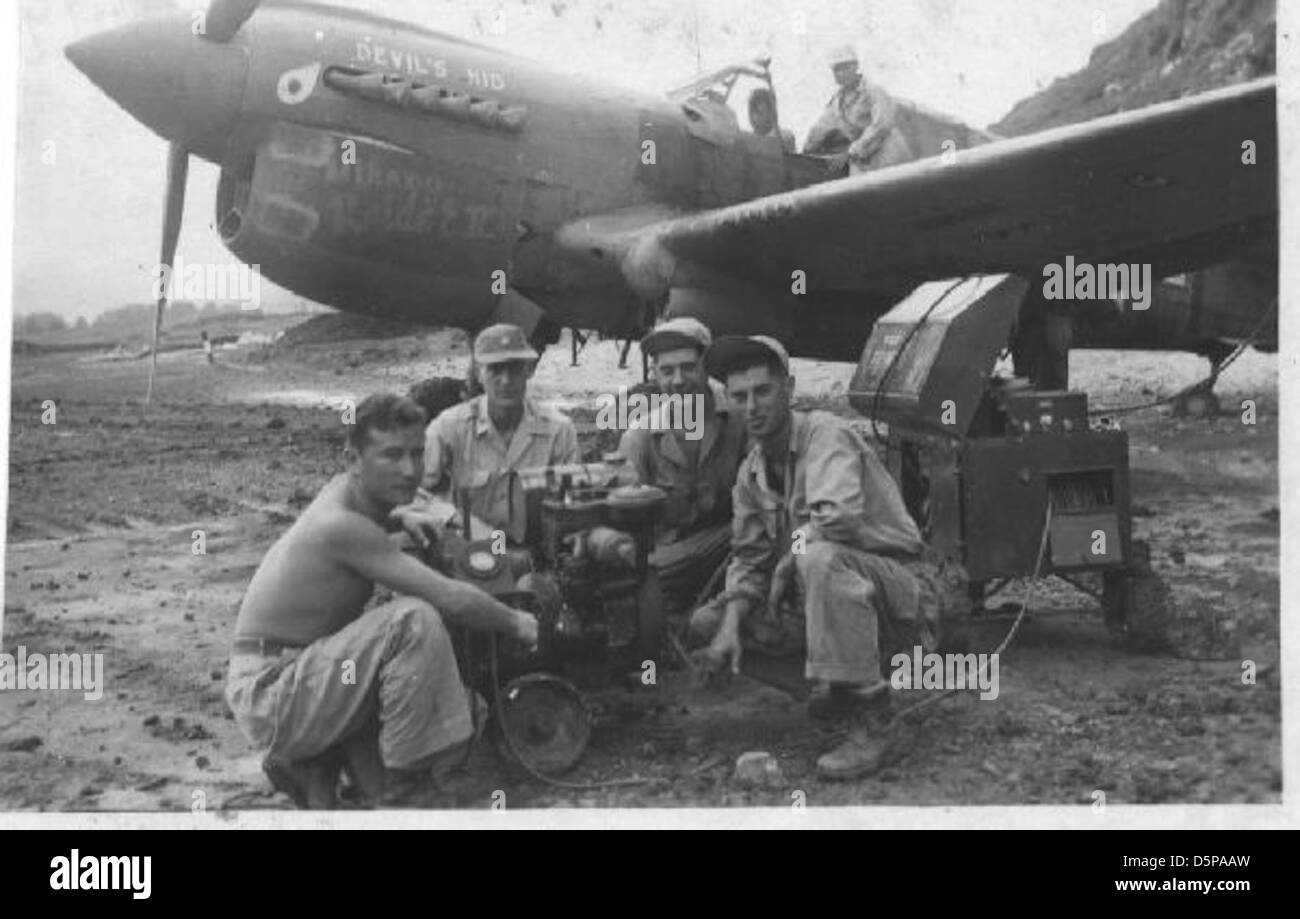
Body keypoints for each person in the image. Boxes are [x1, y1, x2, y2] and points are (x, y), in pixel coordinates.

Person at [225, 393, 539, 808]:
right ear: (353, 457)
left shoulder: (347, 496)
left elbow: (365, 523)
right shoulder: (344, 527)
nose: (410, 470)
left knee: (467, 707)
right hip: (271, 693)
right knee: (413, 621)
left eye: (416, 453)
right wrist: (517, 622)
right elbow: (449, 598)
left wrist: (399, 516)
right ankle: (399, 784)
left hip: (295, 672)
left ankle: (321, 764)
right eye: (391, 455)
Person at [691, 335, 946, 780]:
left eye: (762, 392)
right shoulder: (751, 473)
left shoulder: (825, 433)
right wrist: (730, 628)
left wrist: (790, 557)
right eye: (739, 396)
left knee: (818, 557)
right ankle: (835, 695)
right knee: (710, 623)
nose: (751, 406)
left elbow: (840, 520)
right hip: (835, 599)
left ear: (788, 389)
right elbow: (748, 559)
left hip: (902, 596)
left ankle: (875, 719)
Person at [617, 318, 747, 619]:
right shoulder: (641, 436)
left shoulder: (737, 418)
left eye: (688, 367)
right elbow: (626, 519)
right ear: (655, 375)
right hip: (666, 559)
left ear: (707, 366)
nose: (678, 380)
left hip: (729, 550)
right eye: (667, 371)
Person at [422, 323, 580, 542]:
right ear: (478, 374)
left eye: (515, 368)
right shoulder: (449, 427)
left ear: (529, 370)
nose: (506, 381)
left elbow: (575, 500)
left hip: (537, 551)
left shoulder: (559, 430)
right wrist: (453, 518)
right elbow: (414, 493)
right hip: (469, 551)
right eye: (495, 369)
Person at [803, 45, 914, 174]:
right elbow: (820, 128)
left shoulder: (874, 91)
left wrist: (850, 152)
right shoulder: (837, 101)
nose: (841, 74)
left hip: (888, 154)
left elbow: (881, 125)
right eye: (836, 70)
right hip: (862, 158)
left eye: (845, 68)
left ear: (856, 66)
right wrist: (805, 152)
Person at [747, 88, 796, 153]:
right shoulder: (747, 142)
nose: (754, 117)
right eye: (751, 112)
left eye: (759, 112)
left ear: (771, 113)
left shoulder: (785, 136)